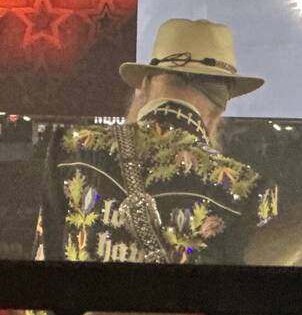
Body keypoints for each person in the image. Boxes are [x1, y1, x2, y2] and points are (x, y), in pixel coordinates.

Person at [33, 18, 278, 264]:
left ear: (146, 85)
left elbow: (42, 278)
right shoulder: (245, 189)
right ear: (218, 109)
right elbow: (245, 296)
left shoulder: (72, 147)